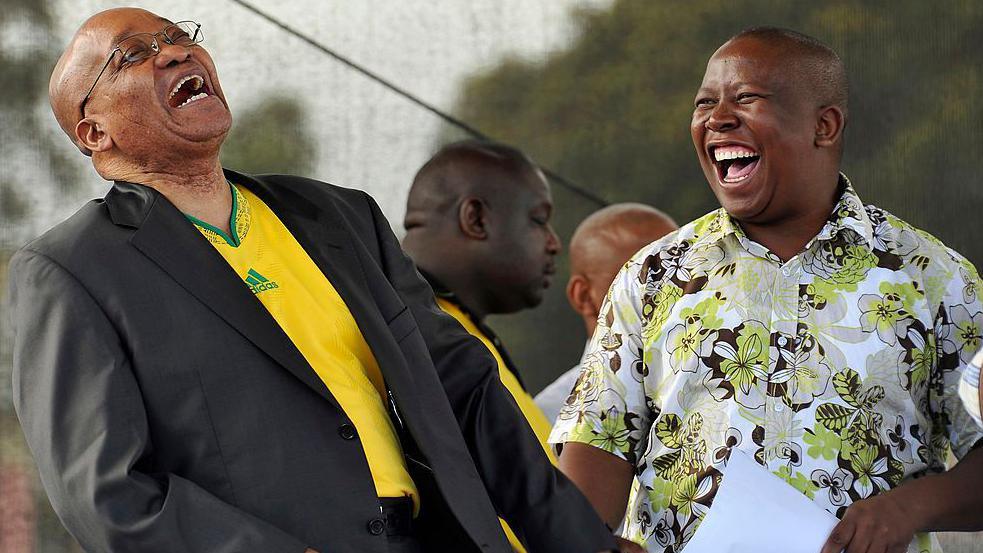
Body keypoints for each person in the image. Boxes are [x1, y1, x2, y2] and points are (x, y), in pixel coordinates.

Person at [8, 8, 617, 553]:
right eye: (134, 54)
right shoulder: (73, 270)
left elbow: (468, 393)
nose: (174, 51)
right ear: (94, 133)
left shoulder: (338, 217)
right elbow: (107, 494)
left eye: (177, 36)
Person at [550, 26, 983, 553]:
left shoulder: (935, 277)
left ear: (824, 126)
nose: (718, 118)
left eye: (746, 98)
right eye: (705, 103)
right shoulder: (653, 275)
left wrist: (911, 506)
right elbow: (598, 443)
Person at [402, 140, 571, 552]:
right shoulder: (405, 338)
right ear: (476, 218)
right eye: (538, 220)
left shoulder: (451, 329)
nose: (554, 243)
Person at [535, 203, 677, 424]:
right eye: (645, 279)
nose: (672, 292)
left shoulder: (725, 385)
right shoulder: (549, 418)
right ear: (583, 296)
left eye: (681, 271)